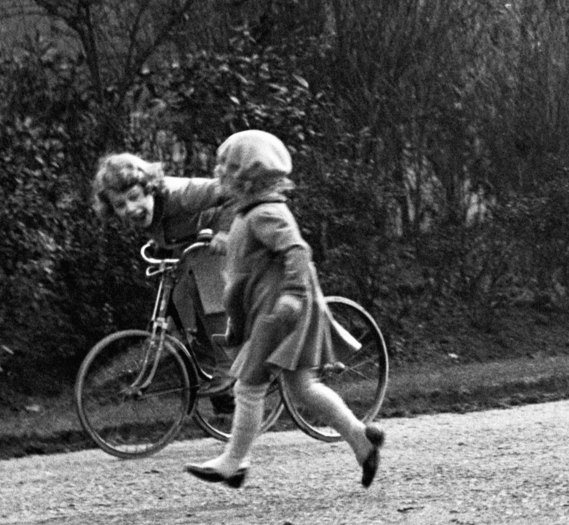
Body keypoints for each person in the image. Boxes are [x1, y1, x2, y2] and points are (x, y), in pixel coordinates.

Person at [185, 130, 385, 489]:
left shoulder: (265, 213)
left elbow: (297, 251)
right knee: (304, 387)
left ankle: (234, 461)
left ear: (246, 179)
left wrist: (293, 294)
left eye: (225, 174)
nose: (220, 180)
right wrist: (227, 245)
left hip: (280, 313)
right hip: (275, 311)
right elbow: (255, 260)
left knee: (248, 388)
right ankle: (360, 439)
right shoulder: (252, 216)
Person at [92, 152, 234, 396]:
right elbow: (172, 229)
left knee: (209, 295)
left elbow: (232, 192)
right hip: (194, 249)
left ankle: (229, 370)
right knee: (181, 307)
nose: (130, 208)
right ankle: (225, 391)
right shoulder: (146, 213)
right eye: (120, 205)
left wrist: (223, 231)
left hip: (225, 240)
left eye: (134, 197)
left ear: (150, 188)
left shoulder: (180, 195)